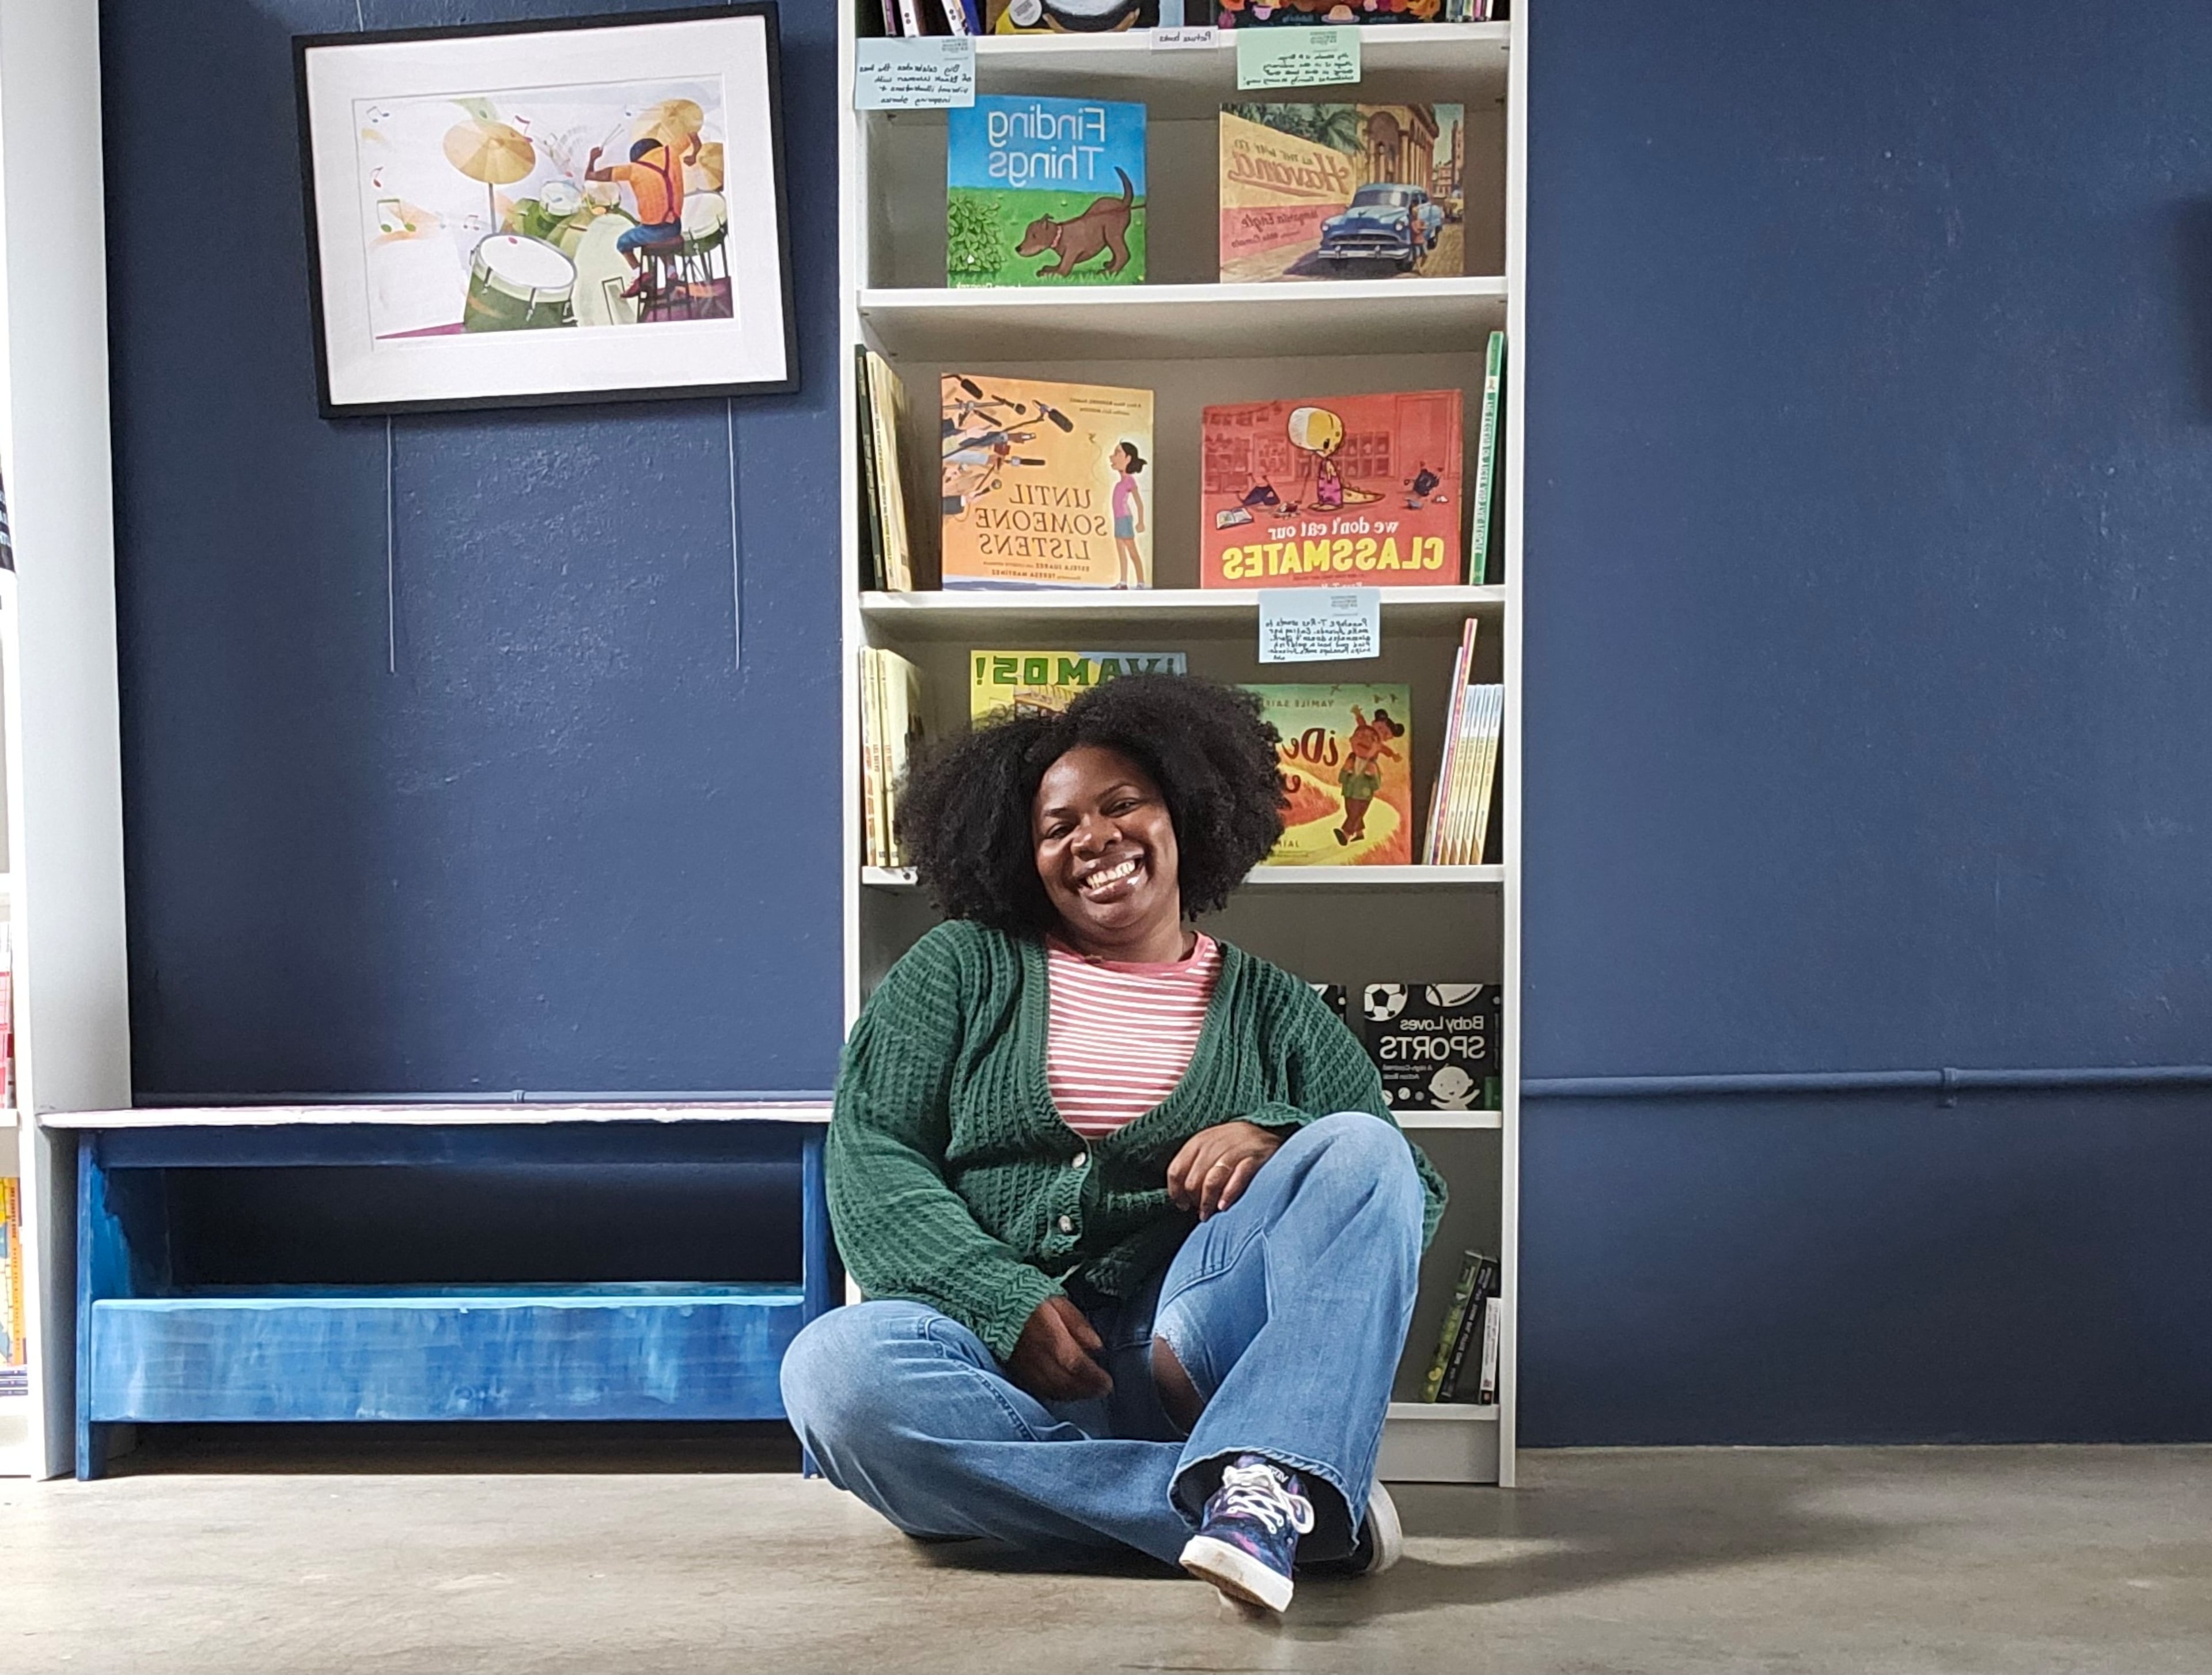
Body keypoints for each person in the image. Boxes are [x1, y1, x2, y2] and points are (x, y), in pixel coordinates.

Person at [781, 674, 1446, 1616]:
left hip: (1195, 1348)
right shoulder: (961, 967)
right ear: (1022, 850)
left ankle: (1231, 1471)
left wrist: (1276, 1138)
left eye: (1124, 803)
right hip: (990, 1367)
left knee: (1358, 1148)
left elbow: (1401, 1189)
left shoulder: (1279, 1011)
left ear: (1187, 813)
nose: (1094, 836)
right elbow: (874, 1156)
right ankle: (1260, 1502)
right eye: (1057, 826)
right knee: (832, 1373)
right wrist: (999, 1293)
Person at [585, 132, 702, 298]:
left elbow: (590, 176)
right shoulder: (671, 152)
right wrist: (694, 155)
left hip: (654, 231)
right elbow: (692, 134)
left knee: (623, 243)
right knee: (659, 234)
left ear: (637, 158)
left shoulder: (633, 169)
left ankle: (639, 274)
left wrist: (593, 159)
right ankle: (671, 272)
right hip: (676, 226)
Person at [1109, 440, 1147, 588]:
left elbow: (1138, 502)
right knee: (1121, 551)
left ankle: (1141, 582)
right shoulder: (1120, 483)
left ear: (1128, 459)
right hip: (1118, 519)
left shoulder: (1129, 481)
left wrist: (1141, 521)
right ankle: (1123, 582)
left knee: (1132, 551)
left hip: (1125, 519)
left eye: (1118, 453)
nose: (1112, 457)